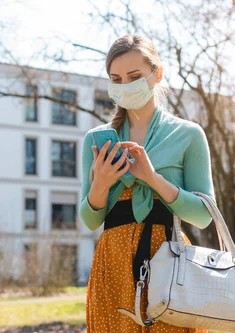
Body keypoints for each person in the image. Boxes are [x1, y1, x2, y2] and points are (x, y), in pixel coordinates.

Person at [80, 34, 215, 332]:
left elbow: (203, 216)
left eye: (134, 76)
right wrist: (100, 184)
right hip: (111, 265)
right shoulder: (95, 139)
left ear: (157, 75)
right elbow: (90, 220)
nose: (125, 85)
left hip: (169, 263)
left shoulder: (188, 135)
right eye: (116, 78)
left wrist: (152, 179)